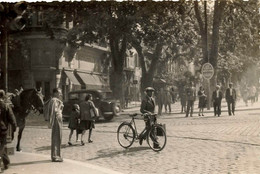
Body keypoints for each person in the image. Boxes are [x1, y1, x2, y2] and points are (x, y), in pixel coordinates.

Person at [0, 90, 17, 171]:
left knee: (2, 147)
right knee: (2, 146)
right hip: (2, 129)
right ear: (3, 96)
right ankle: (3, 163)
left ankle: (6, 162)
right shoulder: (6, 106)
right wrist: (14, 127)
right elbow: (12, 118)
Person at [45, 88, 64, 162]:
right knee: (56, 137)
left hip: (58, 120)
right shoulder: (54, 101)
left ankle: (57, 155)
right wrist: (51, 122)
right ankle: (55, 156)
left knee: (58, 137)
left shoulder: (56, 101)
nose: (60, 94)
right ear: (55, 93)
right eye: (59, 93)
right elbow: (53, 112)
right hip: (56, 121)